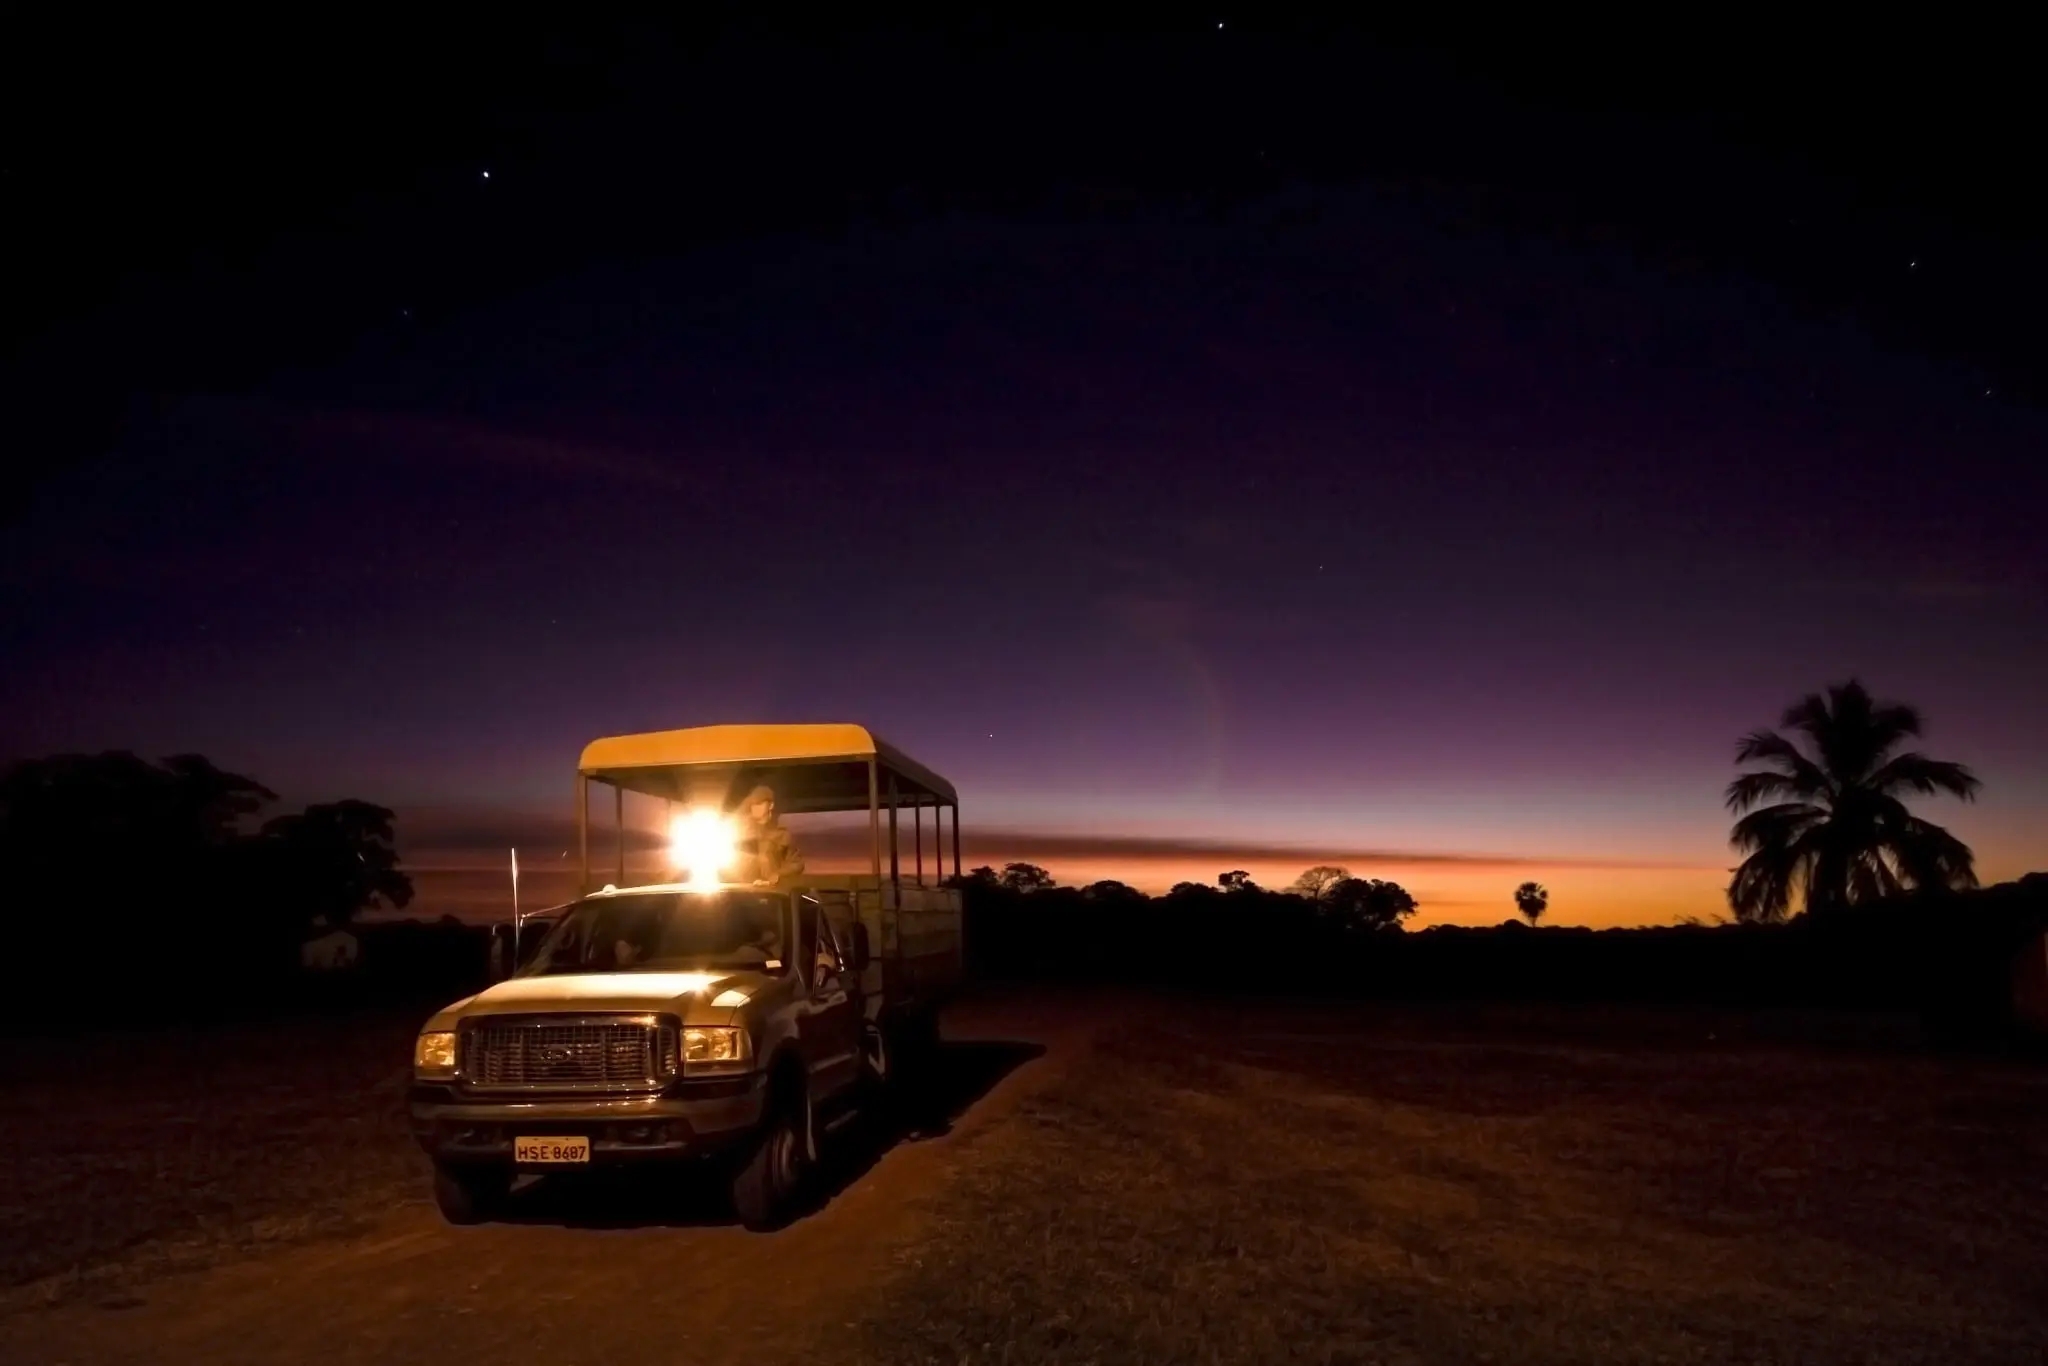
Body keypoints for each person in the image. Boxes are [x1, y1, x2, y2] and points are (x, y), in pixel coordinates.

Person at [733, 784, 804, 885]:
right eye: (753, 804)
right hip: (745, 890)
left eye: (759, 803)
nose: (755, 807)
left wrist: (777, 875)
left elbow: (797, 864)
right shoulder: (741, 832)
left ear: (770, 805)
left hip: (772, 891)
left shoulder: (781, 835)